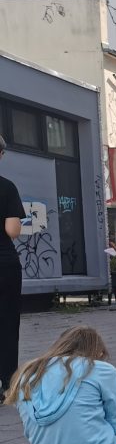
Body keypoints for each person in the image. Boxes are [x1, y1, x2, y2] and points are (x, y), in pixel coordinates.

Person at [0, 134, 25, 400]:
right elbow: (12, 230)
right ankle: (7, 384)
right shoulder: (7, 188)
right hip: (4, 265)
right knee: (7, 324)